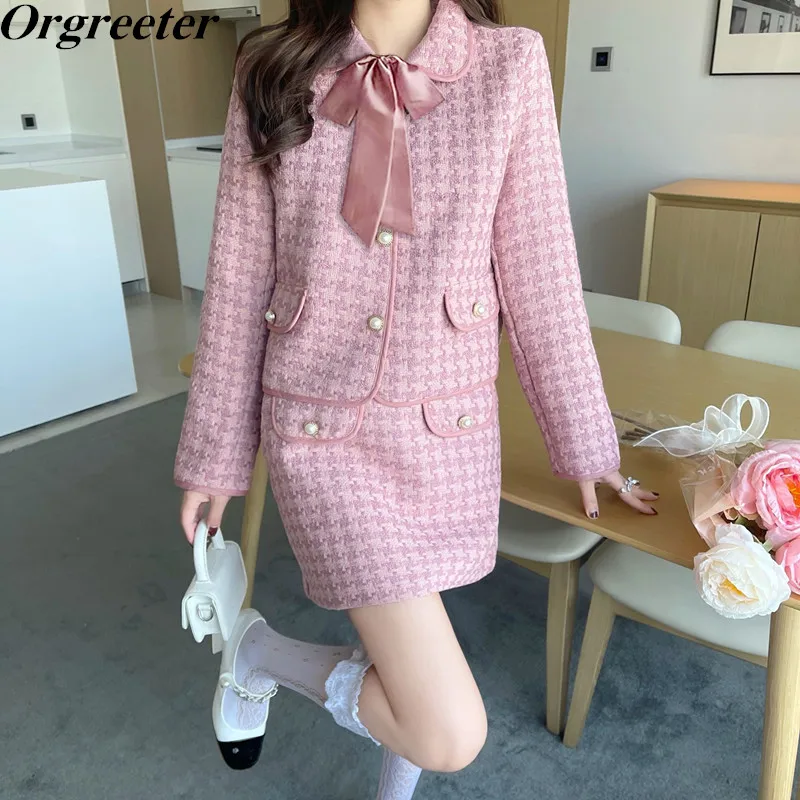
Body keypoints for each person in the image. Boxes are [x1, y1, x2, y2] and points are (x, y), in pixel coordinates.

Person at [174, 0, 658, 796]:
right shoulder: (271, 65)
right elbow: (238, 273)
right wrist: (216, 454)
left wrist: (585, 439)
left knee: (407, 652)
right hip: (320, 429)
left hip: (448, 430)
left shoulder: (510, 63)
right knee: (446, 729)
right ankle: (257, 656)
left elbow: (539, 267)